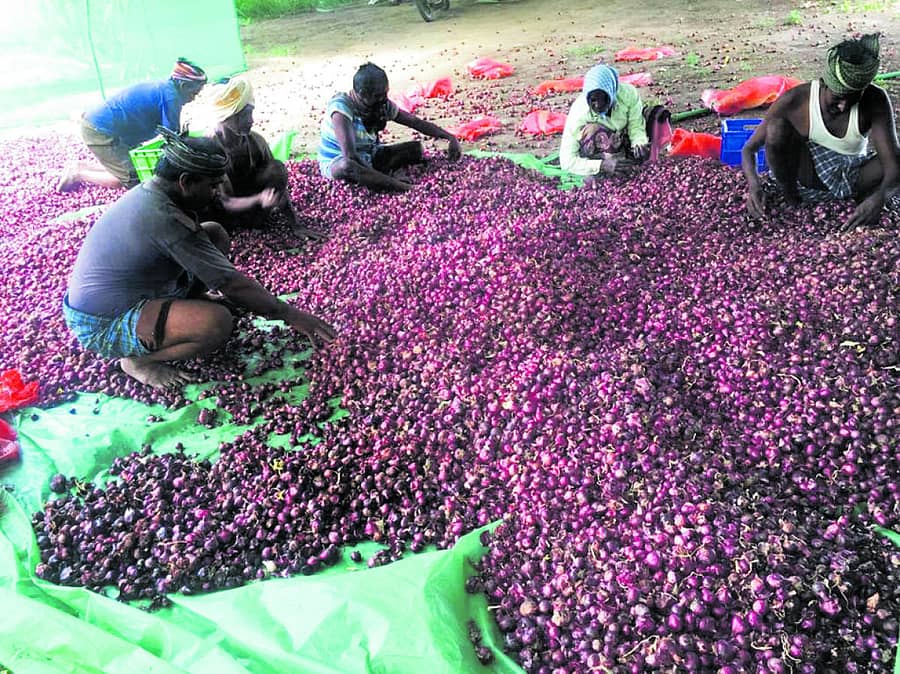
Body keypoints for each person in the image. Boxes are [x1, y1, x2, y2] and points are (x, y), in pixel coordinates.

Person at [62, 128, 337, 389]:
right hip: (105, 322)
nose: (218, 192)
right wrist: (289, 314)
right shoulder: (164, 217)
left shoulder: (156, 193)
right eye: (213, 185)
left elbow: (214, 260)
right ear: (185, 182)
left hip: (138, 291)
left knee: (214, 233)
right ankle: (139, 362)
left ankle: (186, 303)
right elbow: (230, 283)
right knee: (216, 324)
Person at [743, 33, 898, 229]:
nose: (843, 106)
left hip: (853, 175)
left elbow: (893, 164)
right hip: (806, 175)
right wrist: (754, 185)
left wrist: (881, 198)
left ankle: (860, 199)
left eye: (852, 99)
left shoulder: (875, 99)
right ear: (823, 83)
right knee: (776, 129)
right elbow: (749, 149)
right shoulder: (795, 100)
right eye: (838, 98)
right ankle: (791, 199)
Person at [57, 58, 208, 192]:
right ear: (183, 85)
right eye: (194, 93)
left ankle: (83, 166)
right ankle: (79, 174)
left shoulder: (167, 88)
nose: (194, 97)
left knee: (127, 165)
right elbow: (173, 136)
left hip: (107, 127)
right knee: (132, 180)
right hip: (101, 130)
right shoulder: (171, 97)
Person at [207, 76, 323, 238]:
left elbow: (279, 181)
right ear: (227, 116)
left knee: (276, 168)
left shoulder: (256, 141)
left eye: (251, 113)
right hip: (225, 216)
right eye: (244, 115)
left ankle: (255, 222)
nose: (251, 120)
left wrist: (295, 225)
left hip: (254, 211)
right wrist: (258, 199)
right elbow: (225, 202)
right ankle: (240, 229)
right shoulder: (212, 149)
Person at [317, 62, 461, 192]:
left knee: (415, 149)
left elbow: (414, 122)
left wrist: (450, 137)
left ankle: (378, 179)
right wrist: (393, 181)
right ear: (361, 94)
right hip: (337, 163)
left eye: (385, 93)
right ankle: (400, 186)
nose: (384, 99)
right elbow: (350, 156)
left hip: (369, 157)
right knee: (347, 166)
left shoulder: (381, 104)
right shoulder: (341, 108)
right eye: (378, 95)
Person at [559, 64, 671, 180]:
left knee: (657, 115)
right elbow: (567, 162)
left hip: (623, 139)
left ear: (612, 91)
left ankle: (634, 159)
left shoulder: (628, 94)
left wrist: (639, 143)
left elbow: (636, 125)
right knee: (592, 131)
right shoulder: (579, 113)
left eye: (604, 98)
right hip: (601, 151)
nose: (598, 105)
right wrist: (601, 165)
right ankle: (613, 166)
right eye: (593, 100)